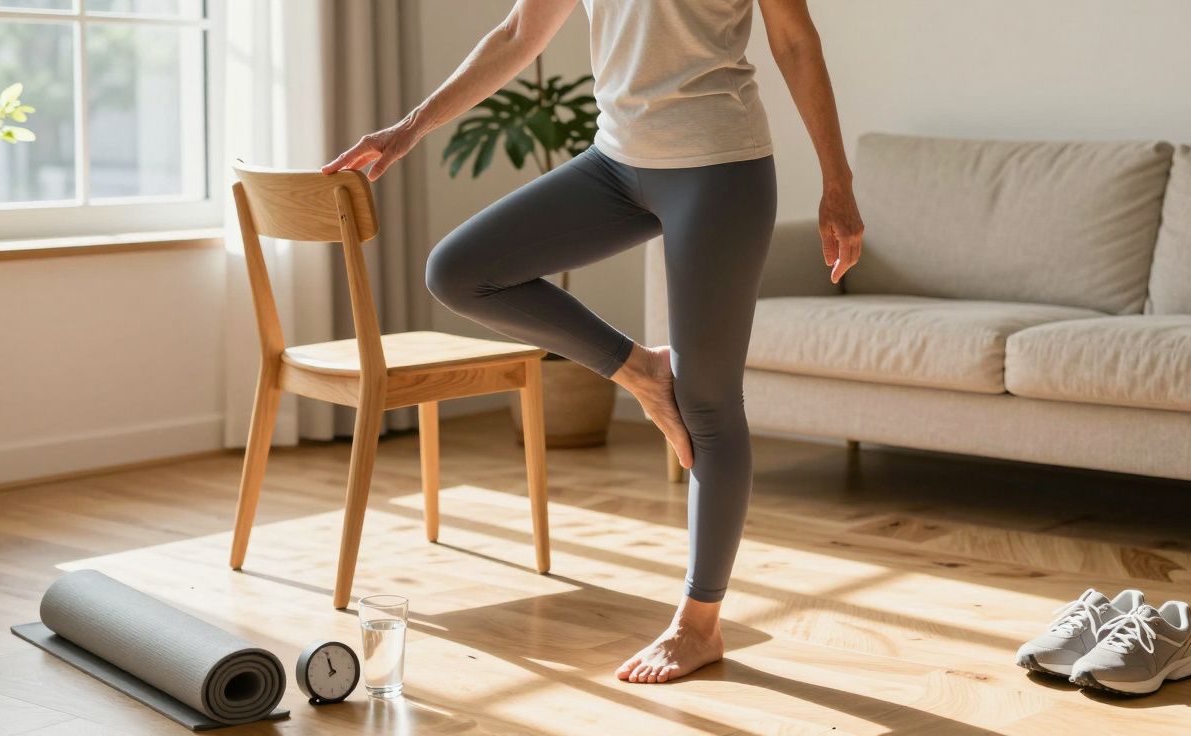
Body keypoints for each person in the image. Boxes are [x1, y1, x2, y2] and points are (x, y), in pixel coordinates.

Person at [323, 0, 864, 684]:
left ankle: (699, 624)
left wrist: (837, 182)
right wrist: (408, 128)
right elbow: (521, 33)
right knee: (459, 270)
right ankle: (640, 370)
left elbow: (796, 42)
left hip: (720, 168)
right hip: (614, 165)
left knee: (709, 401)